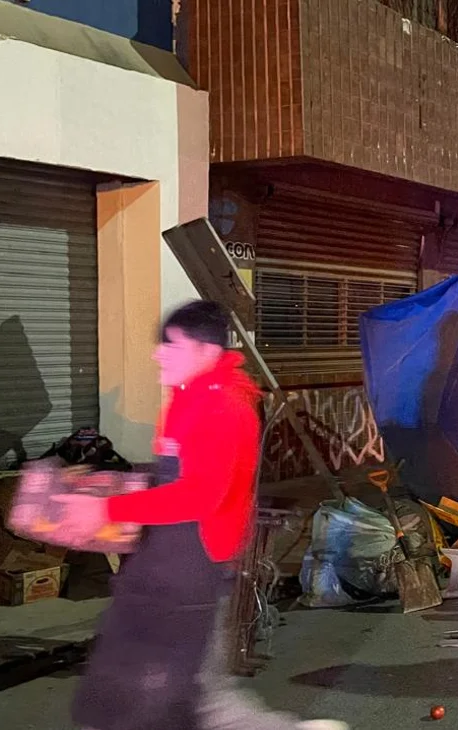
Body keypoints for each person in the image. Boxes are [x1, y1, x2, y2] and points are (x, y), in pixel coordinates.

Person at [55, 301, 346, 730]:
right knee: (131, 691)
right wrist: (105, 499)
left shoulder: (224, 407)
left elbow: (199, 495)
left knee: (191, 700)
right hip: (159, 566)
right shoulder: (185, 398)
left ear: (206, 352)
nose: (158, 354)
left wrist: (107, 507)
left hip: (193, 570)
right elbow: (169, 479)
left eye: (171, 345)